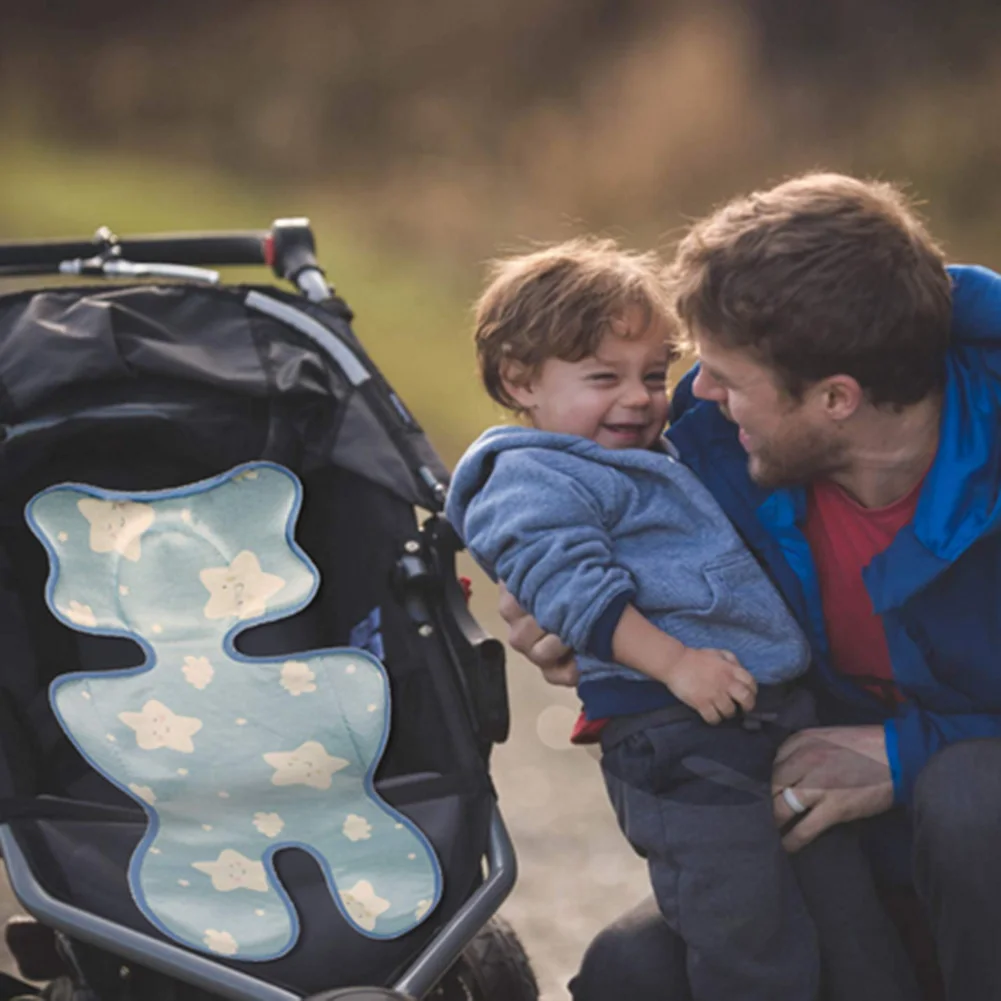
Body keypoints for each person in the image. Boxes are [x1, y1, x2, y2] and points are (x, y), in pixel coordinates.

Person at [501, 173, 1001, 1001]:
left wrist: (911, 754)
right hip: (848, 863)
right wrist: (577, 621)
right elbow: (583, 549)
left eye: (727, 377)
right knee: (631, 974)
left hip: (976, 841)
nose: (697, 392)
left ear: (835, 397)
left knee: (969, 798)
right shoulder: (703, 454)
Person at [446, 238, 918, 1001]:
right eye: (604, 378)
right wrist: (672, 662)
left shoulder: (648, 453)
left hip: (763, 718)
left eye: (653, 375)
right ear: (519, 380)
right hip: (677, 734)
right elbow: (573, 591)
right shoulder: (527, 475)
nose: (638, 397)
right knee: (745, 938)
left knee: (844, 917)